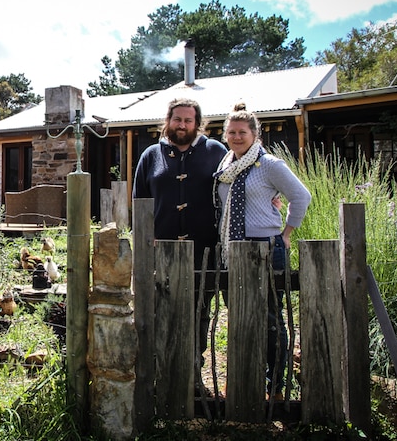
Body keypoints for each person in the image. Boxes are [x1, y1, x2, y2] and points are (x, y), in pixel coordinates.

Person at [214, 103, 311, 400]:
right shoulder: (225, 166)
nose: (236, 137)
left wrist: (286, 233)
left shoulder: (270, 165)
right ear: (225, 135)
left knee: (270, 320)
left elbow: (301, 196)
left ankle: (275, 387)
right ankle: (245, 377)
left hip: (266, 249)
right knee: (240, 317)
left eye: (242, 132)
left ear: (255, 135)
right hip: (233, 250)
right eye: (231, 132)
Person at [133, 97, 228, 376]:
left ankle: (193, 373)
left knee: (198, 312)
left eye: (188, 120)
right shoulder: (151, 155)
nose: (182, 125)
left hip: (204, 250)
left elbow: (237, 182)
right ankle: (164, 374)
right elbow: (140, 200)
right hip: (161, 251)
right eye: (177, 119)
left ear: (198, 123)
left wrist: (269, 197)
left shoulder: (215, 151)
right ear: (168, 121)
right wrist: (145, 237)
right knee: (163, 312)